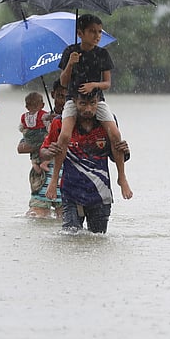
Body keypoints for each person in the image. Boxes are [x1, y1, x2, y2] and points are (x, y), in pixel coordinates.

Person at [47, 14, 132, 201]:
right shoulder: (70, 51)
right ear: (80, 33)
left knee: (115, 134)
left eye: (99, 32)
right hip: (73, 99)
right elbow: (63, 82)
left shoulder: (102, 54)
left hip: (96, 100)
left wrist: (94, 85)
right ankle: (54, 180)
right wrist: (70, 63)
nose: (97, 36)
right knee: (64, 136)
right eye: (92, 32)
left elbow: (107, 83)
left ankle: (122, 177)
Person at [49, 89, 123, 233]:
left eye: (92, 103)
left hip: (100, 194)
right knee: (70, 237)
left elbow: (114, 155)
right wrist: (50, 152)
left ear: (98, 103)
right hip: (71, 192)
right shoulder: (61, 123)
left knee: (98, 239)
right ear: (74, 102)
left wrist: (124, 151)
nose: (88, 109)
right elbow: (44, 152)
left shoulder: (107, 122)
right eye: (83, 104)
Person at [24, 81, 66, 218]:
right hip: (42, 180)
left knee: (66, 219)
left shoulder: (77, 121)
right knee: (36, 216)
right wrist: (47, 140)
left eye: (67, 97)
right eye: (60, 96)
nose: (63, 101)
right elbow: (22, 146)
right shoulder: (41, 120)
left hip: (67, 181)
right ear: (53, 95)